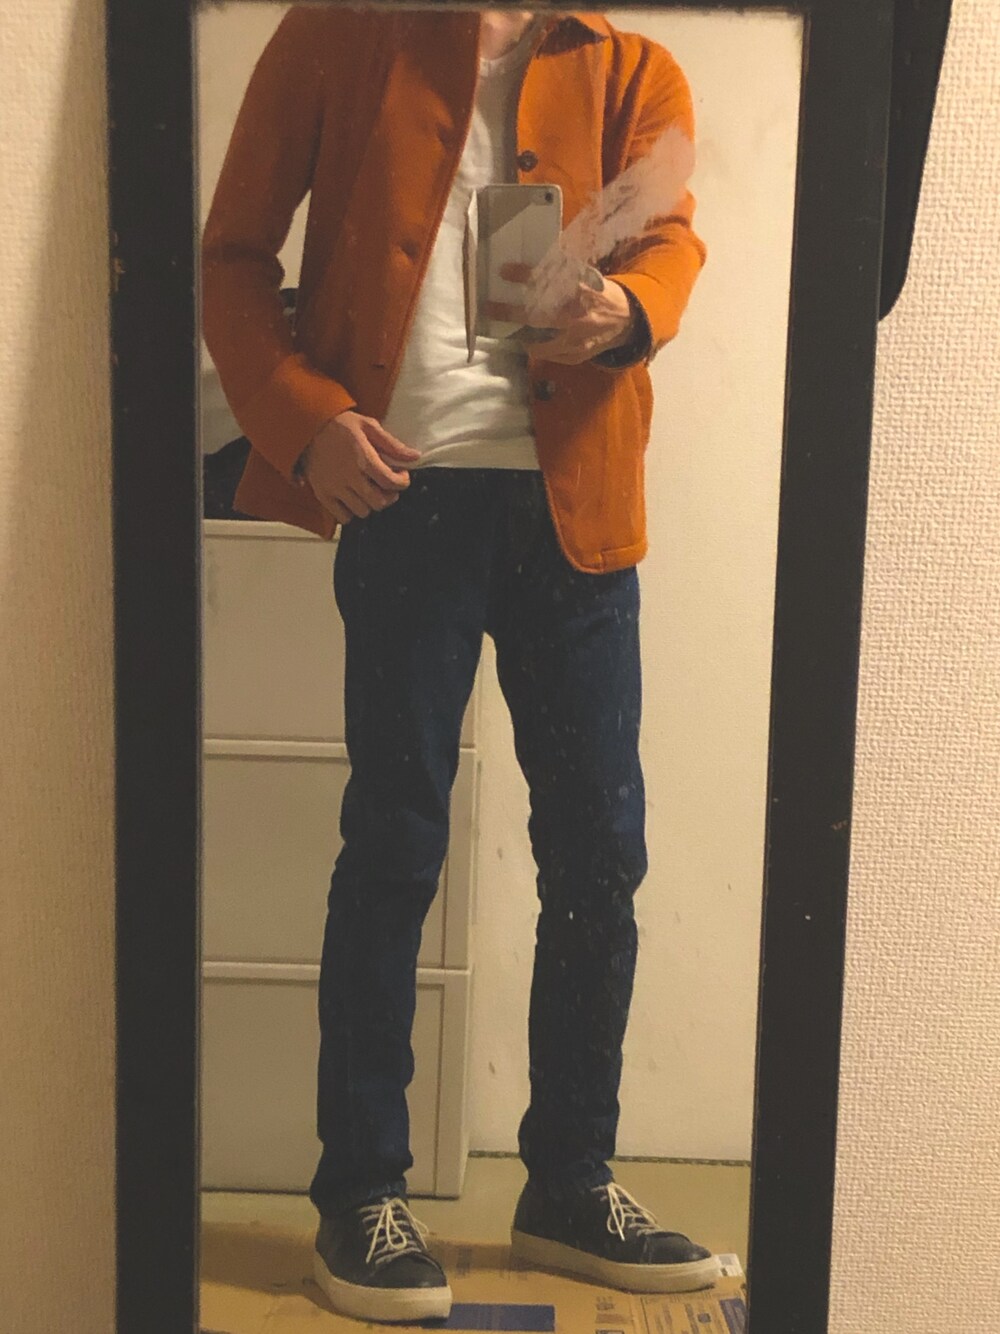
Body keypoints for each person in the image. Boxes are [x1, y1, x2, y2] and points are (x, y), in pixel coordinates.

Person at [202, 6, 714, 1324]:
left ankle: (570, 1181)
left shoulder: (632, 67)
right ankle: (360, 1191)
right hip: (401, 493)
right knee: (395, 843)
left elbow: (671, 238)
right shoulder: (338, 34)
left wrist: (626, 309)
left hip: (576, 507)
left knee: (599, 854)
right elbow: (234, 255)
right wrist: (303, 421)